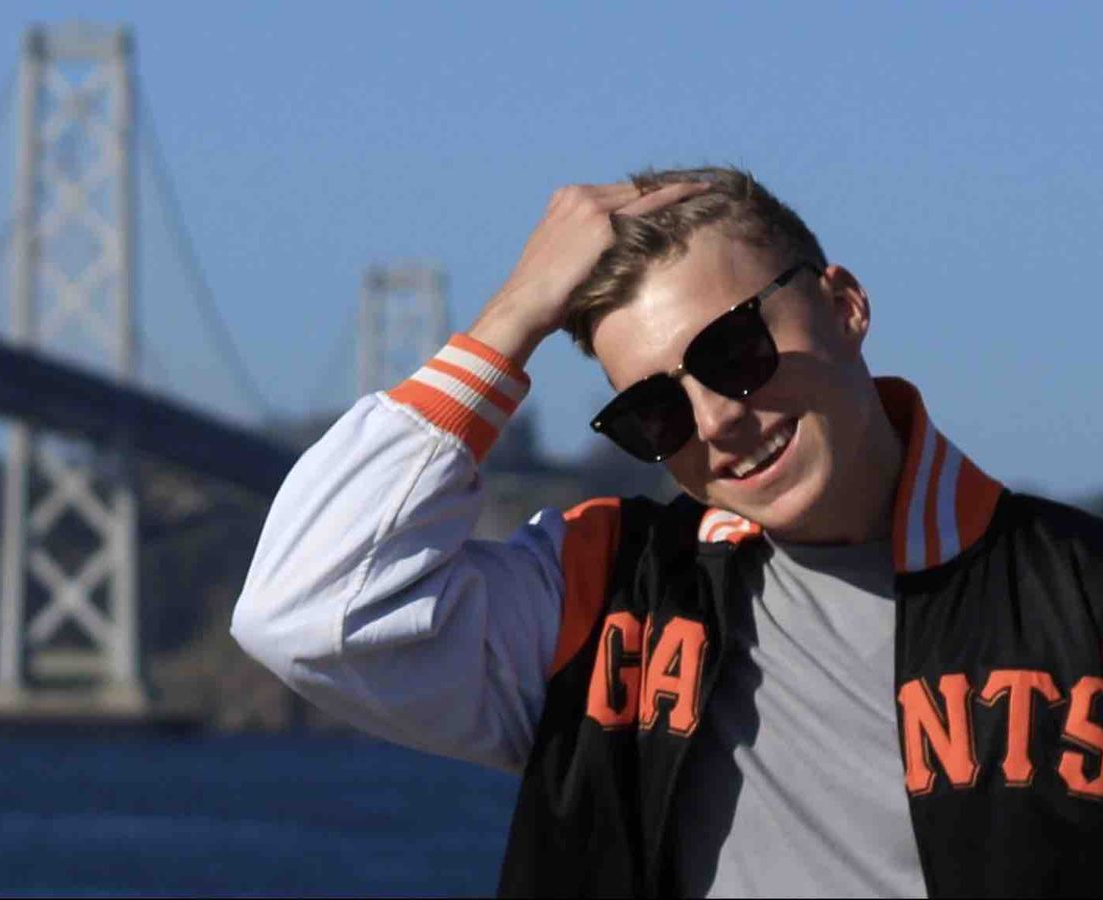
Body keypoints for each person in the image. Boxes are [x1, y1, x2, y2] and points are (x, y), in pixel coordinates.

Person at [230, 167, 1103, 898]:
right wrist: (514, 315)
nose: (716, 420)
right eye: (655, 410)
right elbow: (306, 613)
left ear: (845, 306)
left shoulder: (1080, 592)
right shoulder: (608, 596)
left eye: (734, 352)